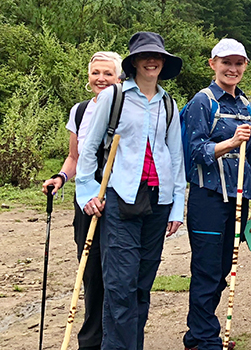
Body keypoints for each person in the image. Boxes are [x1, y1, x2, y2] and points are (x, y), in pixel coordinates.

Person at [75, 31, 184, 350]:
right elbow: (90, 147)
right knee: (120, 287)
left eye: (158, 56)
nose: (152, 61)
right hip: (120, 200)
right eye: (145, 56)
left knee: (140, 287)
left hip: (159, 202)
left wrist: (177, 207)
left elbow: (175, 157)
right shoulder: (115, 97)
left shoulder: (168, 103)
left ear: (163, 63)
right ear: (134, 62)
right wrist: (87, 195)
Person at [180, 38, 251, 350]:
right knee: (207, 268)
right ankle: (203, 338)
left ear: (245, 66)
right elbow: (193, 152)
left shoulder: (246, 107)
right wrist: (230, 143)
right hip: (208, 196)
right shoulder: (202, 102)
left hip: (239, 198)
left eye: (238, 63)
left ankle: (198, 334)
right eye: (226, 62)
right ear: (212, 64)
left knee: (225, 267)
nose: (233, 68)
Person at [41, 51, 122, 350]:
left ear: (119, 78)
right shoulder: (79, 111)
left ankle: (117, 337)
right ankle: (91, 341)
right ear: (88, 77)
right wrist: (61, 177)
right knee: (90, 271)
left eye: (108, 73)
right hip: (85, 200)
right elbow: (74, 157)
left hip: (118, 199)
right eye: (95, 73)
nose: (100, 78)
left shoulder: (127, 108)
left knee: (119, 271)